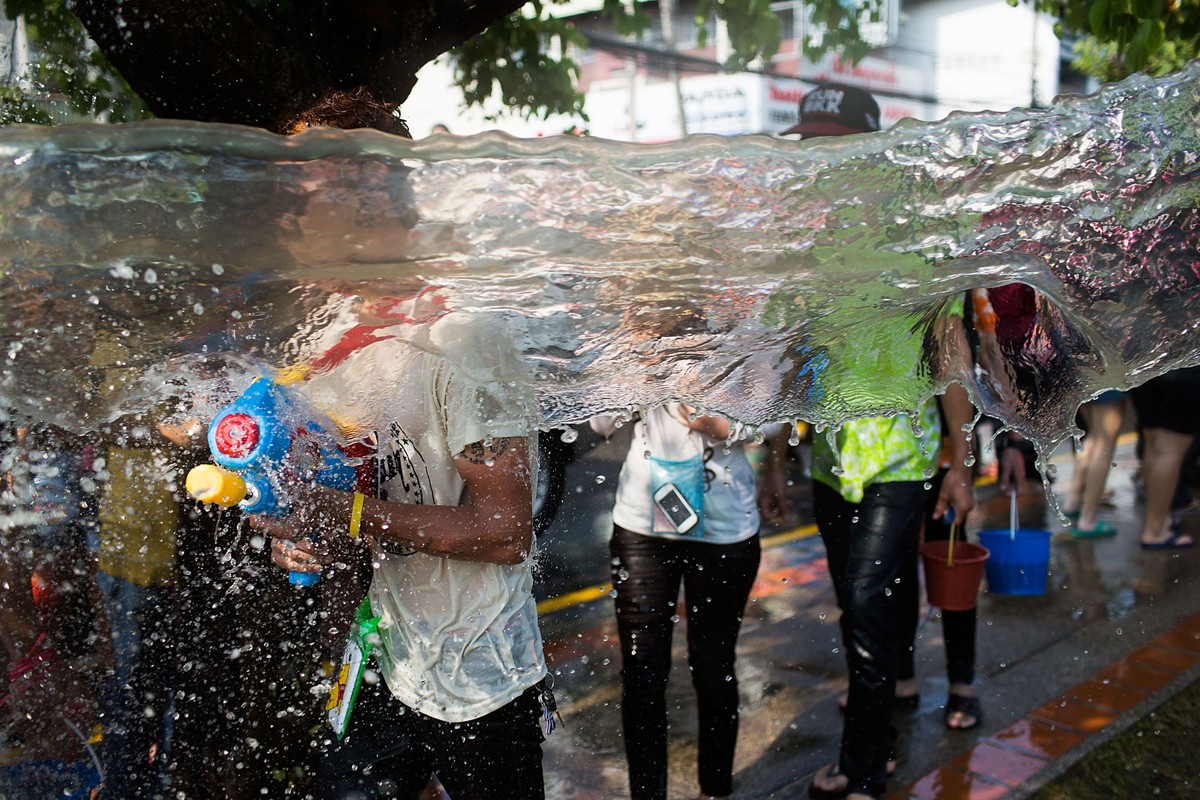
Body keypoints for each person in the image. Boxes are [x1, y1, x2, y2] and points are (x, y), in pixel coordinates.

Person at [255, 303, 551, 800]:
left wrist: (341, 510)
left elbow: (505, 533)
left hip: (480, 670)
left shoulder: (467, 338)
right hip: (384, 651)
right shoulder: (328, 330)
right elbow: (352, 482)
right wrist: (296, 529)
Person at [775, 83, 977, 800]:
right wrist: (776, 454)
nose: (822, 160)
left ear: (868, 148)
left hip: (904, 456)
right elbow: (787, 359)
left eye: (834, 145)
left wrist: (962, 458)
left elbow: (950, 353)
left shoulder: (920, 238)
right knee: (868, 606)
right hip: (830, 463)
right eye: (813, 146)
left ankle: (865, 765)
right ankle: (883, 722)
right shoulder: (803, 244)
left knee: (866, 604)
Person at [590, 403, 762, 800]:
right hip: (642, 526)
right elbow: (600, 424)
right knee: (642, 673)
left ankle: (716, 790)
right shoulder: (635, 342)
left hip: (726, 530)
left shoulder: (740, 338)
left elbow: (774, 418)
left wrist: (724, 425)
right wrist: (632, 364)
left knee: (714, 664)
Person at [1128, 366, 1200, 549]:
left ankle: (1157, 517)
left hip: (1144, 366)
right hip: (1183, 371)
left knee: (1153, 444)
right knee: (1170, 451)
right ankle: (1156, 531)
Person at [1062, 392, 1126, 538]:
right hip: (1106, 375)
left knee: (1093, 435)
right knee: (1104, 440)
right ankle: (1088, 519)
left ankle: (1073, 500)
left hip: (1083, 372)